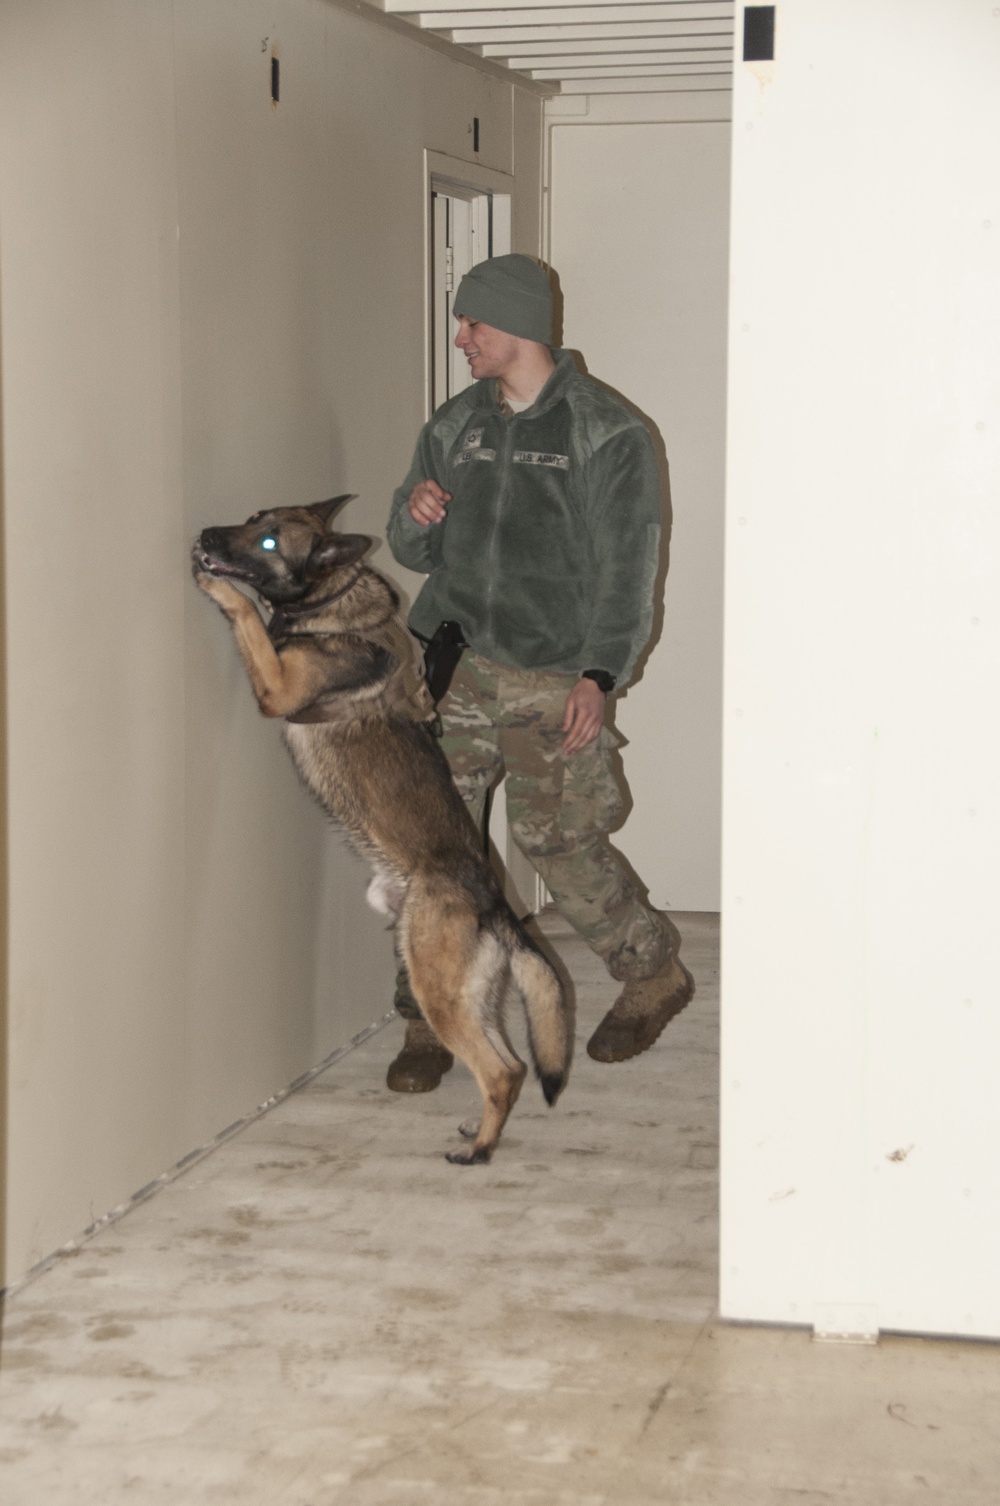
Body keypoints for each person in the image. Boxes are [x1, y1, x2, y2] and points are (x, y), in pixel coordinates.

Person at [385, 252, 693, 1092]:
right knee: (432, 856)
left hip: (554, 678)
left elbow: (629, 569)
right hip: (457, 671)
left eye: (471, 324)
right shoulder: (455, 427)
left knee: (557, 841)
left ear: (515, 325)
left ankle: (654, 973)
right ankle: (428, 1018)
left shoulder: (609, 433)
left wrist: (601, 672)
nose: (460, 339)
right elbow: (412, 547)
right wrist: (414, 518)